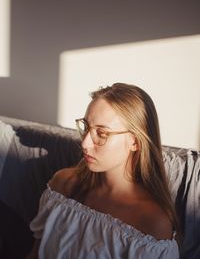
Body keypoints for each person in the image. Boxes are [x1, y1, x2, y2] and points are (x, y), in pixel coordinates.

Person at [27, 83, 180, 259]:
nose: (85, 143)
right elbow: (34, 254)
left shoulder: (151, 222)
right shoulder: (62, 185)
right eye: (86, 127)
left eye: (102, 133)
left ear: (135, 142)